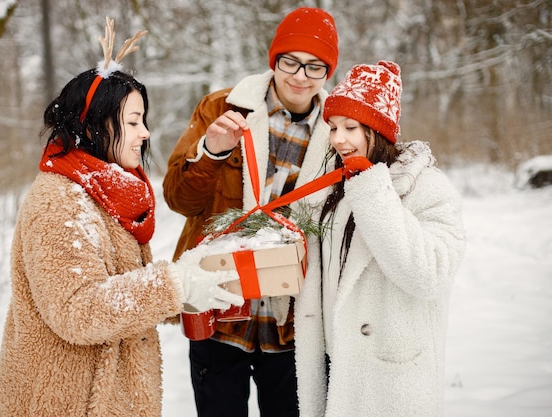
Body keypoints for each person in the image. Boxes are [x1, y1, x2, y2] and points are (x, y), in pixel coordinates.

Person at [0, 18, 243, 417]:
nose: (145, 133)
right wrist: (172, 285)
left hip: (114, 399)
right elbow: (78, 310)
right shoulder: (61, 200)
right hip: (68, 403)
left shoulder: (109, 192)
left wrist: (187, 289)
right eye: (132, 122)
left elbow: (122, 294)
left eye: (143, 120)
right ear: (92, 124)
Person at [162, 7, 339, 417]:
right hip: (221, 312)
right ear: (273, 59)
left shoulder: (336, 130)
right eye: (290, 61)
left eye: (315, 66)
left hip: (294, 323)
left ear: (327, 72)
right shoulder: (224, 107)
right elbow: (179, 200)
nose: (300, 76)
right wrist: (213, 151)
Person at [293, 60, 467, 416]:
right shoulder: (335, 190)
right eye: (334, 127)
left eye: (351, 127)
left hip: (390, 380)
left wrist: (374, 193)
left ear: (378, 130)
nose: (339, 138)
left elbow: (428, 274)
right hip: (335, 367)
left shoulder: (428, 189)